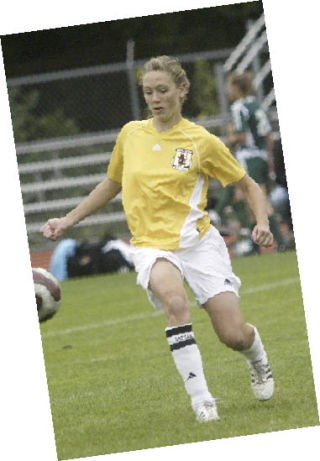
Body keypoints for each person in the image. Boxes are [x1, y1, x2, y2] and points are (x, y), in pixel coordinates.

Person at [41, 56, 274, 423]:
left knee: (233, 335)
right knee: (174, 302)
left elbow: (248, 185)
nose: (155, 98)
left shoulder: (202, 141)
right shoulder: (131, 134)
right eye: (148, 92)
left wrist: (261, 220)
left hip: (198, 245)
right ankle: (202, 401)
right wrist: (67, 220)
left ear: (182, 90)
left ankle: (258, 358)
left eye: (163, 90)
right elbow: (111, 183)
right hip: (151, 245)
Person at [215, 71, 286, 252]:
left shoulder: (239, 107)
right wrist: (269, 159)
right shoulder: (256, 104)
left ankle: (281, 242)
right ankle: (254, 244)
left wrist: (229, 137)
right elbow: (267, 135)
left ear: (237, 88)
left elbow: (241, 135)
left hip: (249, 156)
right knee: (241, 198)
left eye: (229, 87)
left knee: (258, 200)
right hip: (261, 155)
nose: (227, 91)